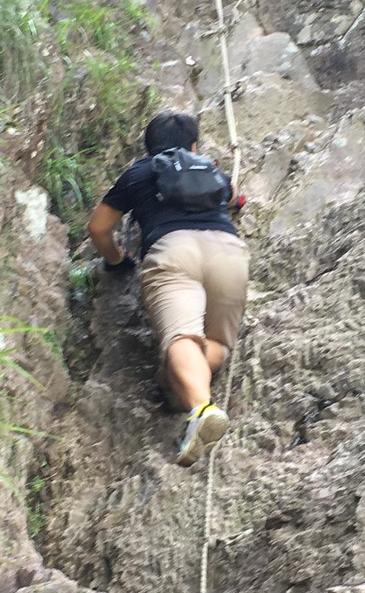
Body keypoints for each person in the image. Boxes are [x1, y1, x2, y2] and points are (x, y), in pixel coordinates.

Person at [87, 112, 249, 467]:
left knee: (181, 338)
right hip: (229, 253)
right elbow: (237, 199)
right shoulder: (208, 168)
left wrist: (117, 260)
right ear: (194, 145)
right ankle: (182, 386)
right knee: (217, 343)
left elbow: (98, 228)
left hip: (174, 251)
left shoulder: (139, 173)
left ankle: (201, 408)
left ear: (149, 147)